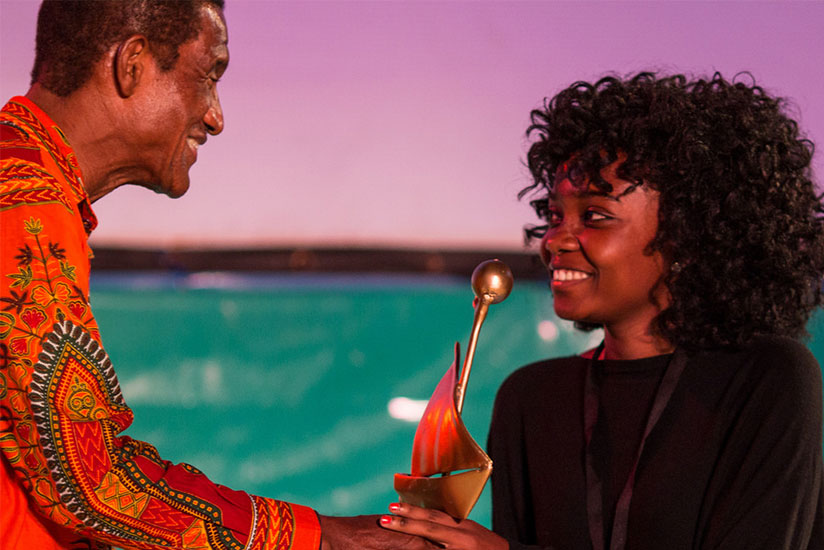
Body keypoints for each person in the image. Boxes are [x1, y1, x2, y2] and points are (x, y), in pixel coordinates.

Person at [0, 2, 435, 549]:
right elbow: (91, 481)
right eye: (207, 77)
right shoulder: (25, 205)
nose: (215, 117)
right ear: (132, 64)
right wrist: (324, 537)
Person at [380, 72, 824, 548]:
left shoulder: (766, 378)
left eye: (594, 216)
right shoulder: (530, 398)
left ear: (687, 236)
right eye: (554, 216)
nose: (555, 241)